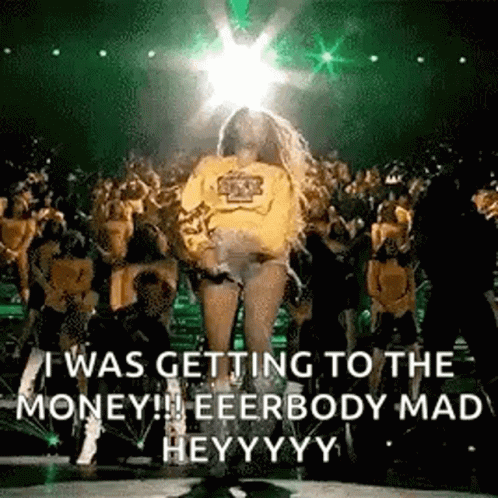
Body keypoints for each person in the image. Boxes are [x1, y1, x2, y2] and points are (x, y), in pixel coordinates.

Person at [178, 107, 311, 398]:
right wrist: (203, 249)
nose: (252, 126)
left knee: (257, 338)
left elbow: (278, 231)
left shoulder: (278, 176)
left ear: (266, 134)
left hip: (264, 260)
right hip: (220, 252)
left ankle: (261, 409)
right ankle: (219, 412)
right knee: (217, 351)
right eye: (245, 120)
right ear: (233, 128)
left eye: (259, 123)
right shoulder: (209, 167)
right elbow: (189, 212)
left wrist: (247, 243)